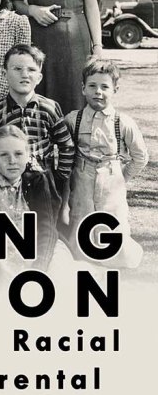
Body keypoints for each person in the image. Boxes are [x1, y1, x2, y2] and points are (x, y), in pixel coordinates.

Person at [64, 58, 149, 269]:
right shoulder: (73, 119)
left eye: (104, 87)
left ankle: (112, 256)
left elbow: (140, 156)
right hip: (82, 175)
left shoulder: (123, 122)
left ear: (115, 90)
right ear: (83, 89)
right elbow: (63, 151)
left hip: (111, 176)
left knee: (111, 217)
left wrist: (121, 177)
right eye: (92, 86)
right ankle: (83, 256)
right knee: (81, 215)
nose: (98, 92)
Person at [0, 44, 74, 203]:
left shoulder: (49, 108)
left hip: (42, 182)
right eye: (17, 69)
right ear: (4, 74)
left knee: (43, 223)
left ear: (39, 77)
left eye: (31, 70)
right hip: (5, 181)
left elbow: (66, 146)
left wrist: (58, 176)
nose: (25, 74)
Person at [0, 124, 66, 276]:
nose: (12, 161)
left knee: (59, 274)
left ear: (27, 155)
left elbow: (47, 227)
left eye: (18, 154)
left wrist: (39, 266)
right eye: (4, 155)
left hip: (36, 246)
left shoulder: (38, 181)